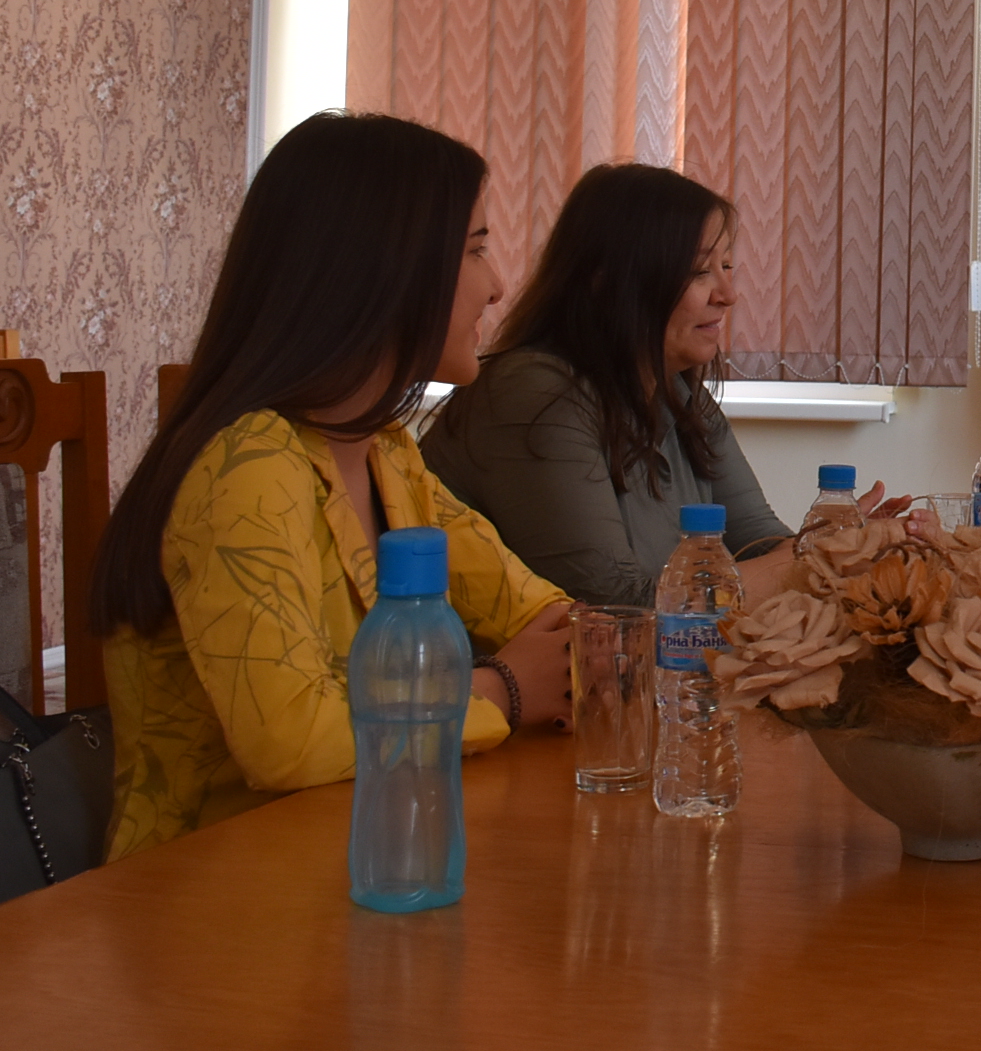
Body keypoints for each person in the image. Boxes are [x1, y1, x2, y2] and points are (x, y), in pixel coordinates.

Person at [95, 112, 575, 861]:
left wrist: (579, 653)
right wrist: (505, 688)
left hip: (353, 857)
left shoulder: (385, 453)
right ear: (386, 271)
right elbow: (290, 744)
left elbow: (544, 615)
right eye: (476, 250)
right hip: (208, 889)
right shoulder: (249, 467)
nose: (499, 285)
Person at [424, 163, 816, 605]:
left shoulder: (681, 394)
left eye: (726, 266)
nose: (728, 294)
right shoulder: (533, 393)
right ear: (610, 281)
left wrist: (847, 543)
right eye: (698, 271)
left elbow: (763, 544)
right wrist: (817, 560)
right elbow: (617, 608)